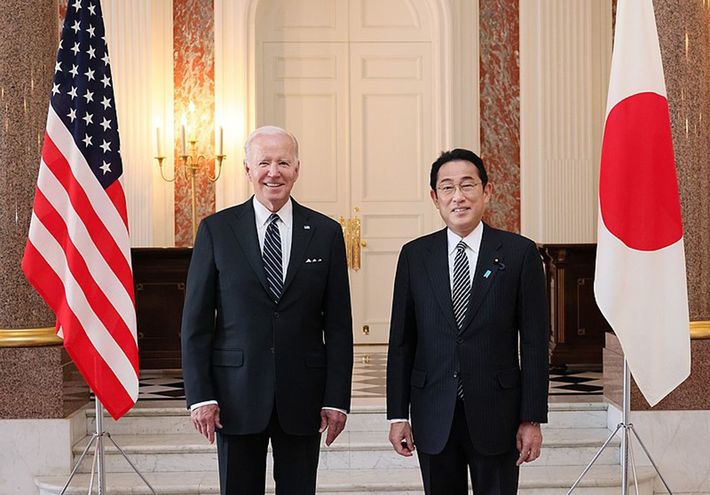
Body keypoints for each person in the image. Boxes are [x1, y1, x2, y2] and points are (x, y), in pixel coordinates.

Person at [181, 126, 354, 495]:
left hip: (304, 396)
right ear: (247, 169)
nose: (273, 172)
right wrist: (201, 396)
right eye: (264, 163)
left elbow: (339, 326)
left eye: (283, 163)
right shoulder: (216, 230)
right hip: (235, 396)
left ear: (297, 169)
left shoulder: (325, 232)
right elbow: (196, 325)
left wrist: (337, 398)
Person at [386, 149, 549, 495]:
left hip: (498, 413)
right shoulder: (415, 256)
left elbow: (535, 343)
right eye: (447, 187)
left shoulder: (520, 254)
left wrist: (532, 418)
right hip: (433, 411)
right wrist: (398, 415)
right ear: (435, 198)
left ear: (487, 191)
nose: (458, 196)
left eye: (467, 185)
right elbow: (402, 342)